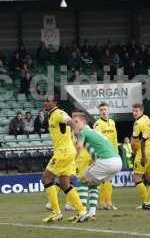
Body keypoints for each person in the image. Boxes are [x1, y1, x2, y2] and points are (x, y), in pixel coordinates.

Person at [41, 95, 87, 223]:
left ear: (55, 102)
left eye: (47, 101)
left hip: (63, 152)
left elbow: (70, 121)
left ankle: (56, 212)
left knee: (45, 179)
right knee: (64, 183)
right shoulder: (51, 115)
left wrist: (77, 130)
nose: (45, 103)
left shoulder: (58, 113)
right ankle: (82, 211)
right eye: (44, 100)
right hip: (67, 152)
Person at [72, 111, 122, 220]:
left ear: (84, 121)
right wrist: (95, 161)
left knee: (81, 180)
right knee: (93, 184)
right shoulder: (93, 132)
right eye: (73, 122)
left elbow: (79, 147)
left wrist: (72, 161)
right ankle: (92, 213)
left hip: (107, 161)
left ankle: (82, 211)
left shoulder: (83, 132)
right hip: (117, 161)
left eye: (76, 121)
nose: (74, 124)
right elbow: (96, 149)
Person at [93, 102, 119, 210]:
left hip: (112, 154)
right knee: (105, 179)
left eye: (105, 109)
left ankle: (106, 202)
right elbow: (96, 140)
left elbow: (114, 139)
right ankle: (105, 203)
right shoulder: (97, 124)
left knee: (108, 179)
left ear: (108, 110)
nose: (103, 111)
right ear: (99, 112)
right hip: (103, 154)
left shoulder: (112, 122)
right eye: (101, 110)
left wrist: (116, 153)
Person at [131, 103, 150, 209]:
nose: (134, 113)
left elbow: (134, 141)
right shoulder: (147, 119)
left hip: (143, 152)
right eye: (133, 111)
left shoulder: (137, 123)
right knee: (149, 177)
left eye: (136, 111)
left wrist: (134, 152)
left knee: (137, 177)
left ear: (141, 111)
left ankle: (146, 202)